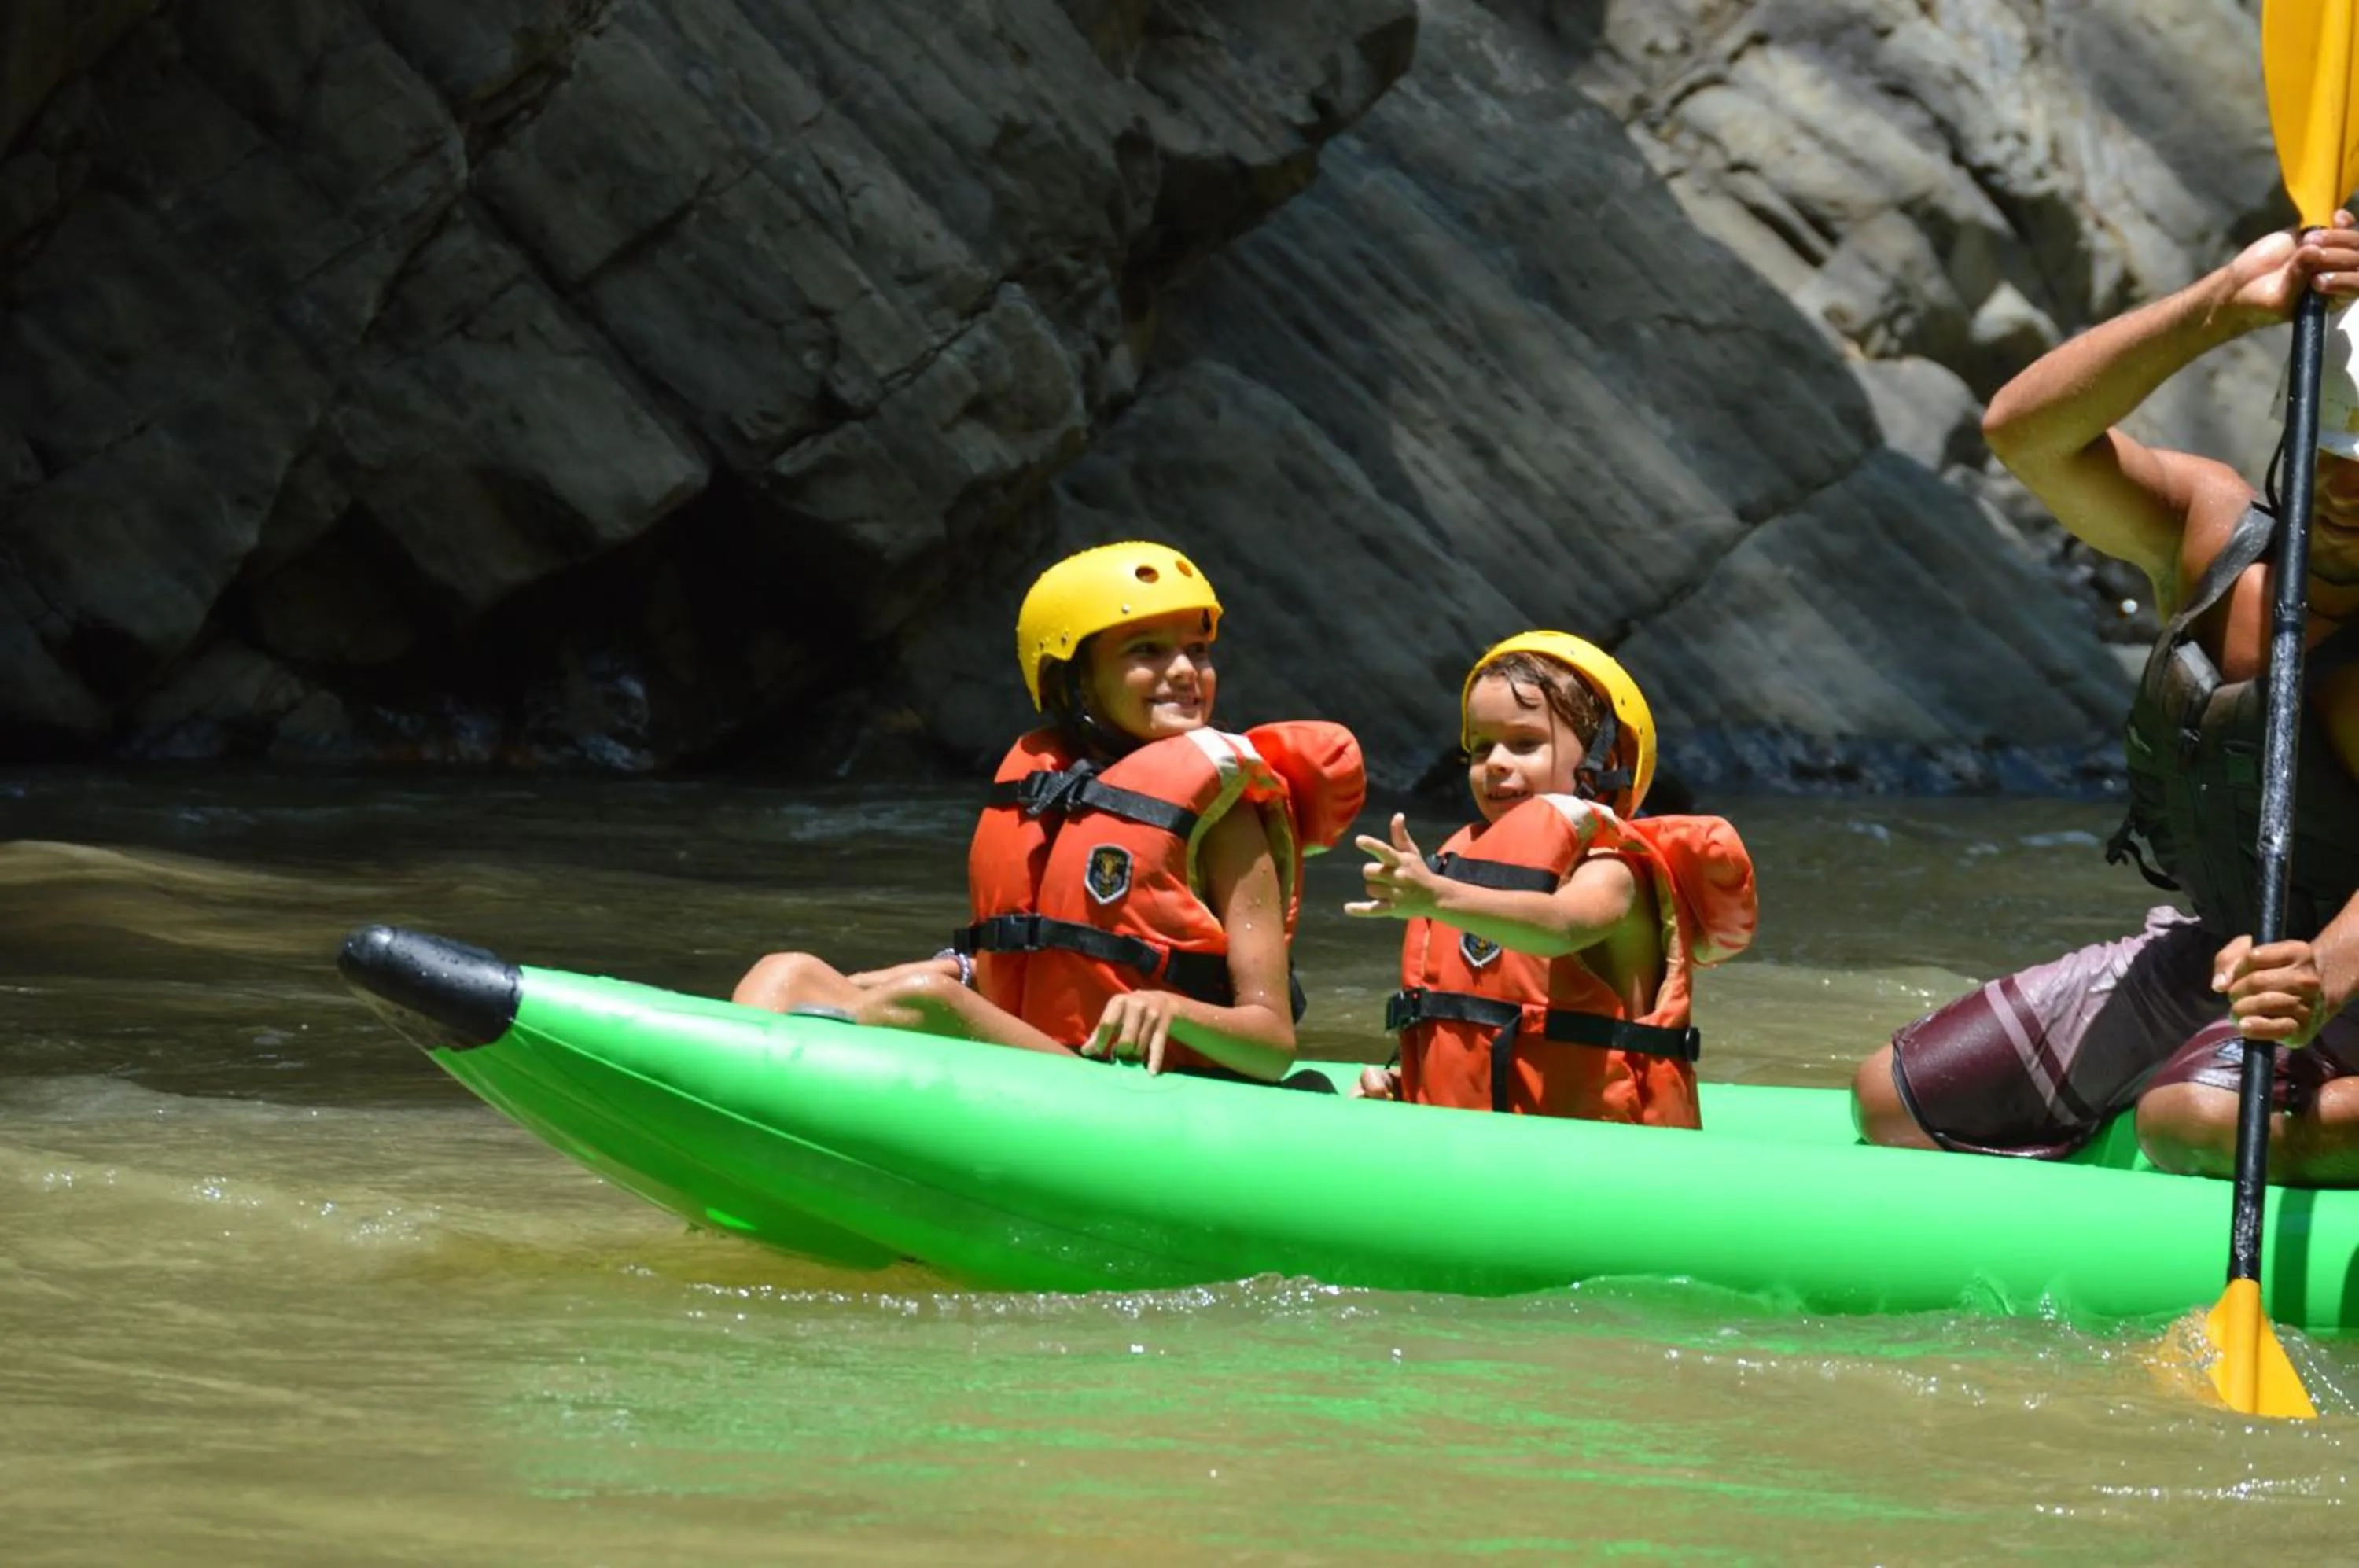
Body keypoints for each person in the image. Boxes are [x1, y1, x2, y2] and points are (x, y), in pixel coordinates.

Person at [1851, 215, 2359, 1181]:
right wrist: (2218, 306)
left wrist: (2321, 984)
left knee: (2191, 1121)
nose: (2344, 492)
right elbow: (2027, 432)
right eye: (2332, 456)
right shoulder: (2207, 530)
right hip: (2225, 951)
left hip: (2338, 978)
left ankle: (2201, 1093)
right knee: (1895, 1101)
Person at [733, 540, 1365, 1083]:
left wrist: (1174, 1011)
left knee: (929, 1004)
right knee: (785, 973)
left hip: (1143, 1088)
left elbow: (1271, 1041)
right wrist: (964, 968)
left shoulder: (1227, 819)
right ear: (1075, 681)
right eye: (1146, 650)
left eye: (1197, 650)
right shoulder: (1051, 787)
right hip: (1046, 1058)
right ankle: (735, 1112)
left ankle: (788, 1103)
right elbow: (1055, 957)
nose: (1184, 671)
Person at [1347, 632, 1757, 1122]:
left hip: (1602, 1153)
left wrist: (1436, 895)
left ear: (1602, 764)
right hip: (1481, 1142)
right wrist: (1404, 1085)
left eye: (1525, 744)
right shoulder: (1467, 865)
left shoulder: (1611, 867)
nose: (1496, 763)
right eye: (1480, 748)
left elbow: (1559, 927)